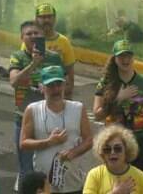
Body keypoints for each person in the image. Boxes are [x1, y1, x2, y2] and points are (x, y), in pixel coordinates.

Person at [20, 65, 93, 194]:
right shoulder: (32, 110)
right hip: (44, 187)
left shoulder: (78, 108)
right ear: (42, 87)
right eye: (50, 85)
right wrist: (49, 142)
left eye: (59, 84)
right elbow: (24, 143)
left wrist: (73, 152)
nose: (56, 89)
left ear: (65, 85)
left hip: (73, 184)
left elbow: (88, 140)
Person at [9, 20, 64, 191]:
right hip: (24, 118)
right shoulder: (17, 56)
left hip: (49, 117)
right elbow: (14, 82)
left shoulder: (54, 57)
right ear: (22, 37)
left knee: (51, 168)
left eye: (36, 33)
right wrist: (33, 64)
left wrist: (49, 89)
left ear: (43, 36)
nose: (33, 36)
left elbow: (64, 85)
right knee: (27, 170)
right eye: (29, 34)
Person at [93, 40, 143, 181]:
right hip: (113, 143)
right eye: (121, 56)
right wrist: (118, 99)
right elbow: (97, 114)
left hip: (141, 139)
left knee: (141, 179)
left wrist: (139, 121)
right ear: (115, 59)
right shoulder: (105, 82)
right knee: (114, 180)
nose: (125, 60)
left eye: (128, 55)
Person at [84, 125, 143, 194]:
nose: (112, 152)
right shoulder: (94, 175)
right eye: (107, 149)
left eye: (117, 149)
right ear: (102, 153)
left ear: (127, 150)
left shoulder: (140, 177)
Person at [30, 4, 76, 97]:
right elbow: (25, 67)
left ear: (54, 19)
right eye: (43, 17)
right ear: (36, 19)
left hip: (57, 91)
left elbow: (70, 72)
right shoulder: (30, 41)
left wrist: (67, 92)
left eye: (49, 17)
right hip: (36, 91)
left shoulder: (64, 42)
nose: (46, 20)